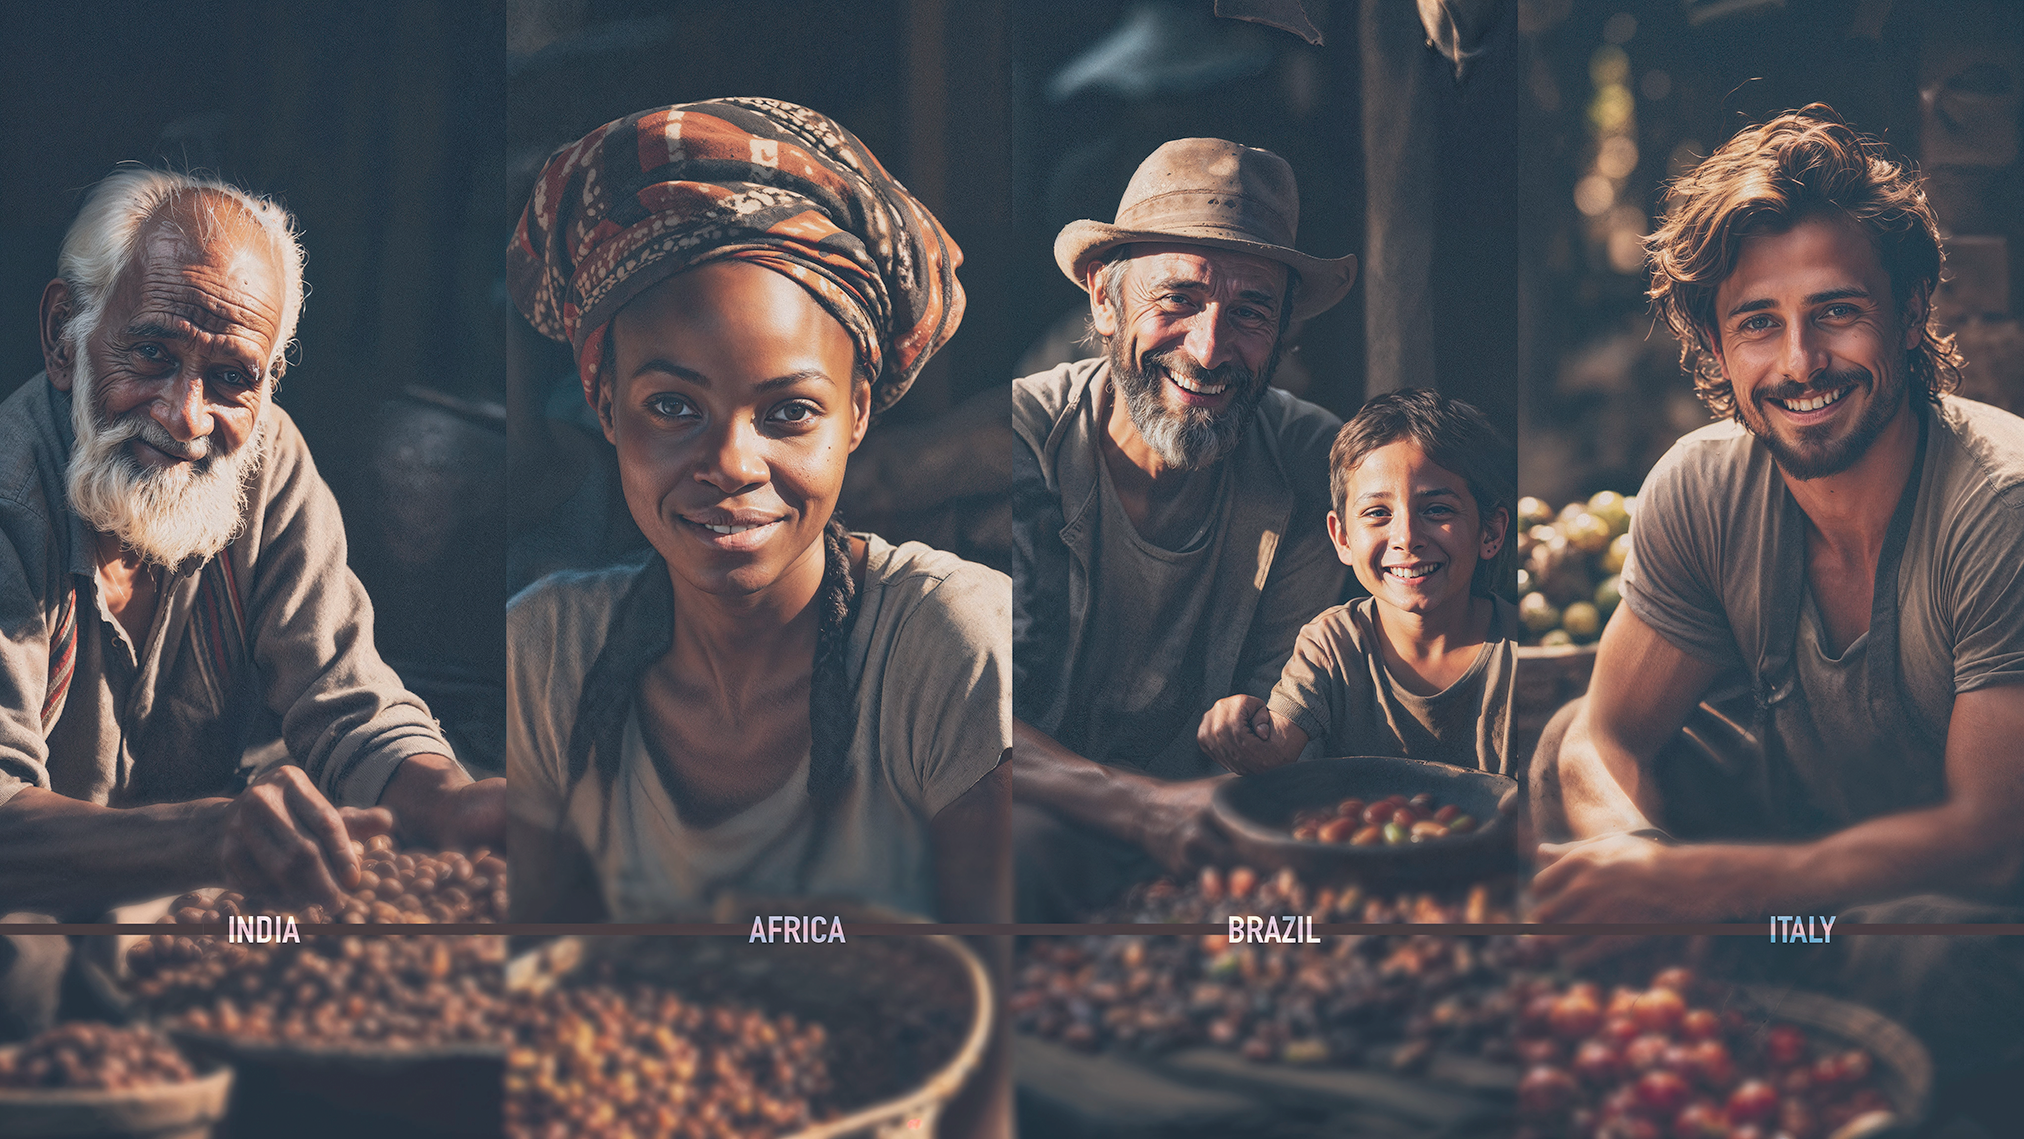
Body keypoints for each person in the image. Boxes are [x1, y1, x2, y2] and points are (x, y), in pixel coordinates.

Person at [1525, 106, 2024, 1078]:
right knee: (1558, 753)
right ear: (1712, 347)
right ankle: (1695, 1038)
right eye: (1757, 323)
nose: (1798, 364)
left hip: (1962, 898)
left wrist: (1699, 883)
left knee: (1929, 952)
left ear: (1910, 308)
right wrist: (1635, 856)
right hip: (1806, 883)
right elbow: (1602, 733)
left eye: (1835, 311)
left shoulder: (1997, 505)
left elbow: (1988, 841)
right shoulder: (1702, 483)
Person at [0, 170, 502, 1034]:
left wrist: (456, 803)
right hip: (49, 911)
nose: (186, 414)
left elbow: (351, 708)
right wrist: (208, 834)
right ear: (63, 336)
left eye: (232, 376)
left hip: (174, 918)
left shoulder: (263, 463)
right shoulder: (16, 502)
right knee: (23, 965)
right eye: (151, 354)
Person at [503, 99, 1011, 929]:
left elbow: (994, 996)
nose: (732, 464)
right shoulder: (548, 658)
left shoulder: (949, 650)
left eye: (788, 413)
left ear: (858, 412)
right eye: (672, 406)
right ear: (604, 407)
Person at [1012, 137, 1357, 917]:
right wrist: (1140, 809)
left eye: (1250, 313)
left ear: (1285, 332)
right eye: (1176, 301)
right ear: (1105, 298)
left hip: (1200, 847)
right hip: (1031, 822)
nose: (1208, 350)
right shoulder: (1021, 442)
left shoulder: (1314, 468)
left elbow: (1275, 739)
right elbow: (956, 724)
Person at [1198, 389, 1516, 776]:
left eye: (1437, 510)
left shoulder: (1520, 654)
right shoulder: (1333, 644)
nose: (1407, 537)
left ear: (1491, 532)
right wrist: (1239, 730)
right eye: (1378, 513)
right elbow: (1276, 750)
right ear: (1343, 538)